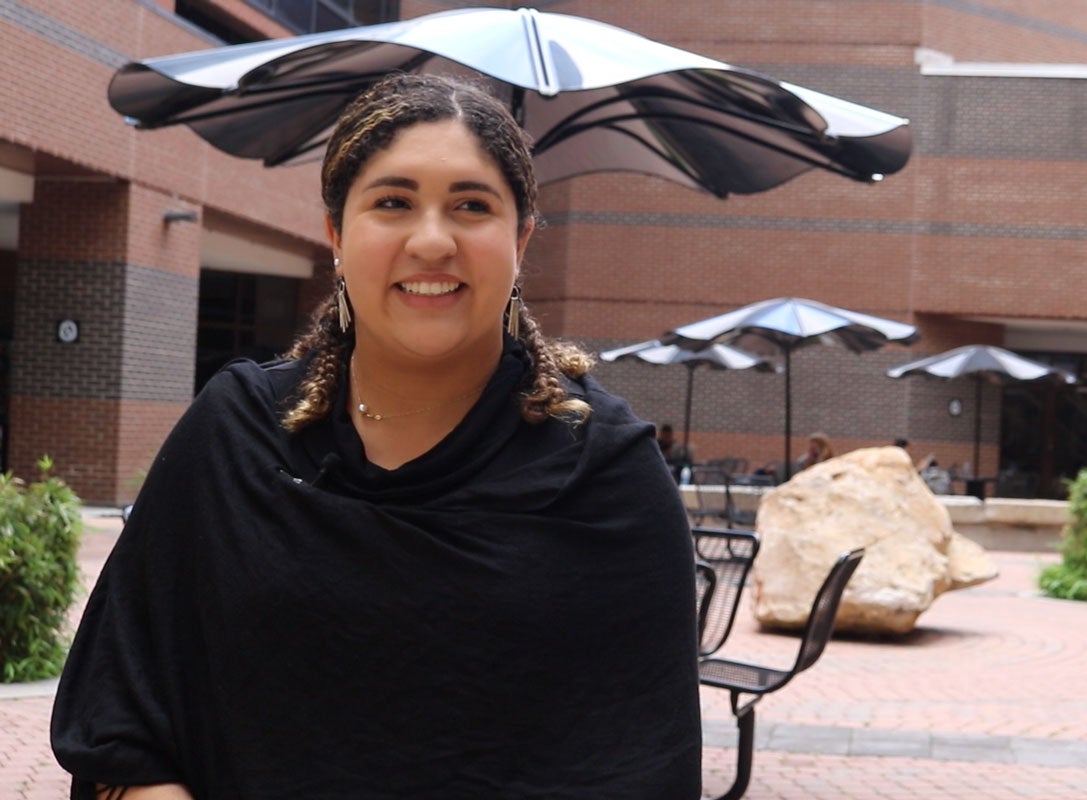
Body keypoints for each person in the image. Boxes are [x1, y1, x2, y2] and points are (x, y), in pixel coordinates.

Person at [51, 73, 701, 800]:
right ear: (335, 234)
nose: (431, 240)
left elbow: (645, 767)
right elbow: (121, 714)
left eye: (471, 206)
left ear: (520, 240)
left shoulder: (608, 476)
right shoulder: (235, 436)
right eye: (393, 202)